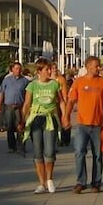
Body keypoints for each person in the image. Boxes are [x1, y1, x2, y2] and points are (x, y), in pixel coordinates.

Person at [62, 55, 103, 193]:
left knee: (97, 154)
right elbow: (71, 101)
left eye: (99, 66)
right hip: (82, 124)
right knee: (79, 152)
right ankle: (81, 182)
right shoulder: (78, 82)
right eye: (96, 66)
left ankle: (96, 182)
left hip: (98, 124)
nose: (99, 68)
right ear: (88, 67)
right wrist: (66, 116)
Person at [19, 58, 63, 194]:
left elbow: (60, 101)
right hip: (36, 118)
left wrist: (65, 117)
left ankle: (49, 178)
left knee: (49, 151)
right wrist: (22, 120)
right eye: (46, 69)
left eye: (50, 69)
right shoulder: (32, 86)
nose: (49, 71)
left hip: (50, 118)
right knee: (38, 152)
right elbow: (27, 104)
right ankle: (41, 183)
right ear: (39, 71)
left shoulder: (54, 84)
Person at [0, 62, 29, 153]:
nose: (18, 70)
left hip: (20, 107)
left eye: (19, 68)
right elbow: (2, 92)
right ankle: (11, 147)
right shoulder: (7, 80)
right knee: (9, 127)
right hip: (9, 107)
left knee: (20, 127)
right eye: (16, 68)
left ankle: (20, 146)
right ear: (12, 69)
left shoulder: (25, 81)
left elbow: (28, 95)